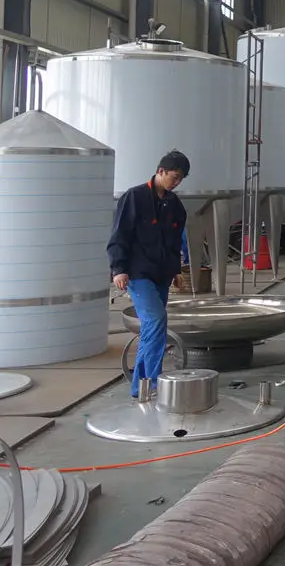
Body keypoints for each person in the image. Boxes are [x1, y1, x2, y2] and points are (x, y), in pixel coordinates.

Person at [108, 150, 190, 400]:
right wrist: (118, 268)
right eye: (174, 177)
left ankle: (140, 387)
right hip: (138, 273)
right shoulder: (135, 197)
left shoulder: (175, 205)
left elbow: (175, 241)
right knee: (156, 320)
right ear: (160, 171)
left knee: (151, 330)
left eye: (180, 179)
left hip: (162, 274)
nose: (176, 182)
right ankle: (152, 383)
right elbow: (120, 234)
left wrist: (176, 270)